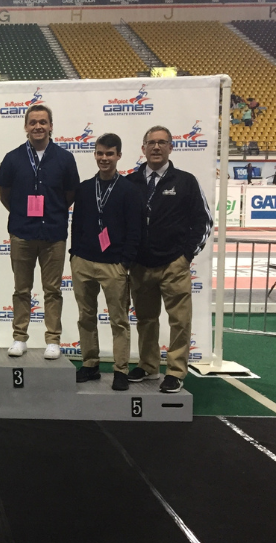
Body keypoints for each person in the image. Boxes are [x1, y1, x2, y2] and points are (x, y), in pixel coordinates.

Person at [125, 126, 212, 393]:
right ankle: (149, 365)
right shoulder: (130, 182)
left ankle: (175, 371)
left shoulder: (185, 181)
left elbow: (204, 220)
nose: (156, 147)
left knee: (180, 321)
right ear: (143, 148)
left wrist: (186, 256)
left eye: (162, 142)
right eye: (151, 143)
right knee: (146, 319)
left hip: (174, 264)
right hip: (140, 265)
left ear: (171, 147)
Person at [0, 104, 80, 359]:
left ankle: (53, 339)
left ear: (51, 126)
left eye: (43, 122)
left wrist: (51, 212)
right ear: (25, 127)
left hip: (53, 234)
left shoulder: (65, 159)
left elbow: (69, 195)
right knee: (21, 289)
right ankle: (19, 337)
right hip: (22, 232)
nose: (38, 126)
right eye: (33, 122)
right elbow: (6, 196)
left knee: (52, 290)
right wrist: (24, 213)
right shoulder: (12, 158)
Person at [70, 133, 144, 390]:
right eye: (100, 153)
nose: (104, 158)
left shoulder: (129, 191)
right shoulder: (84, 188)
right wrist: (74, 254)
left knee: (119, 319)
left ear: (119, 156)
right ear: (95, 154)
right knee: (86, 316)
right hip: (83, 262)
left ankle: (121, 369)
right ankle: (90, 364)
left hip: (114, 265)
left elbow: (135, 230)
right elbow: (77, 223)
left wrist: (125, 262)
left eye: (109, 154)